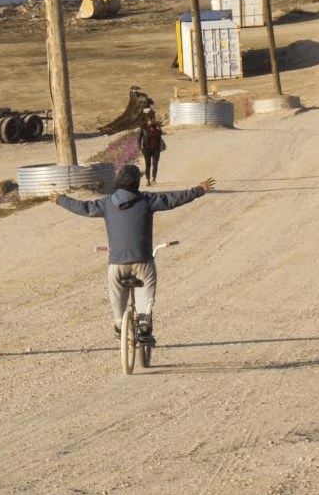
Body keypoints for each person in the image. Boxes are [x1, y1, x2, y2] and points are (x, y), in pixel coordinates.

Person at [51, 164, 214, 344]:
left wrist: (61, 200)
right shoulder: (147, 199)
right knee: (146, 290)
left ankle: (119, 324)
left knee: (116, 292)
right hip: (142, 261)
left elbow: (84, 207)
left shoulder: (106, 203)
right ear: (137, 182)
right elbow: (173, 199)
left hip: (117, 264)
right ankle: (144, 326)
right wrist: (198, 190)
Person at [138, 115, 167, 184]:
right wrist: (140, 148)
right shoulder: (143, 128)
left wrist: (159, 127)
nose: (151, 121)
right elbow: (139, 139)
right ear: (147, 120)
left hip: (156, 149)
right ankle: (148, 179)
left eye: (152, 119)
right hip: (146, 150)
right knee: (148, 164)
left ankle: (154, 178)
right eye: (150, 119)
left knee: (155, 164)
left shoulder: (157, 127)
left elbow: (161, 134)